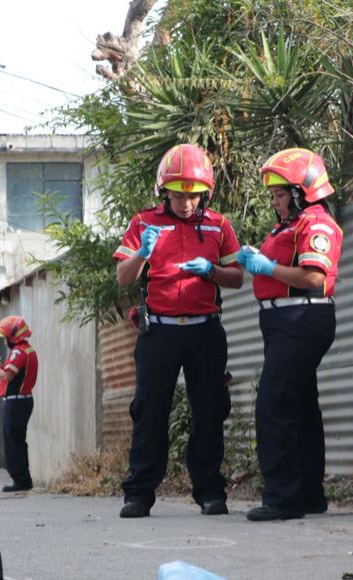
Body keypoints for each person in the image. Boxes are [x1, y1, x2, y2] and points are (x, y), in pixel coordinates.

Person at [113, 143, 243, 518]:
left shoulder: (218, 225)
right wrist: (142, 254)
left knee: (210, 411)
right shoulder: (143, 223)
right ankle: (139, 494)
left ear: (205, 194)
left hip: (205, 332)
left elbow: (237, 277)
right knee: (149, 411)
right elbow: (123, 277)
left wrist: (212, 271)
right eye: (178, 195)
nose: (186, 203)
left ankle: (210, 492)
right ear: (164, 192)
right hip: (160, 333)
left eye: (193, 196)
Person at [236, 148, 342, 522]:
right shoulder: (289, 225)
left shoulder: (317, 224)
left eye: (280, 194)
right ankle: (309, 494)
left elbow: (313, 277)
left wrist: (267, 267)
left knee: (275, 403)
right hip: (286, 320)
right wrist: (256, 260)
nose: (275, 202)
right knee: (300, 406)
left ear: (301, 191)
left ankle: (282, 498)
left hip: (301, 318)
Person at [0, 315, 39, 493]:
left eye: (5, 337)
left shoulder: (18, 352)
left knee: (13, 442)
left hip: (15, 402)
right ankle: (24, 478)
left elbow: (8, 376)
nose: (4, 341)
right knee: (18, 441)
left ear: (13, 337)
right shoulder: (29, 350)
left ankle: (20, 480)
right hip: (23, 400)